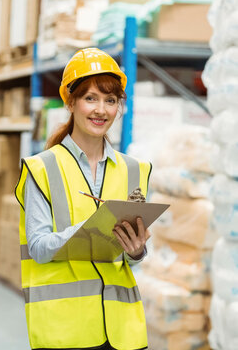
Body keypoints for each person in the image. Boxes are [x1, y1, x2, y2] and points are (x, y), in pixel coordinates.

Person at [15, 48, 151, 350]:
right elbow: (37, 247)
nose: (101, 110)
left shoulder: (134, 170)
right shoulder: (42, 168)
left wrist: (137, 251)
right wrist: (88, 232)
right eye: (91, 98)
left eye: (110, 100)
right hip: (66, 331)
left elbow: (131, 257)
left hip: (123, 331)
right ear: (70, 102)